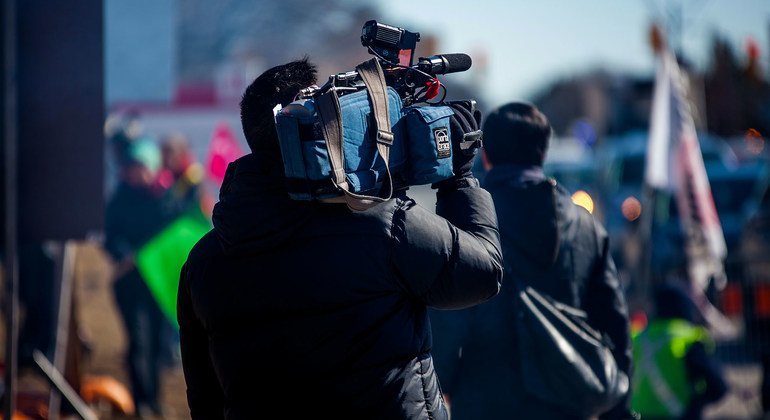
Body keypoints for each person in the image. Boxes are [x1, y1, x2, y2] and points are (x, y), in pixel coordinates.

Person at [176, 59, 503, 419]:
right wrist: (458, 180)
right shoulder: (384, 226)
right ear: (313, 125)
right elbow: (483, 272)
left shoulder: (203, 262)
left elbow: (204, 400)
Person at [430, 102, 633, 419]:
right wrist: (618, 405)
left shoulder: (471, 221)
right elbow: (614, 320)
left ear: (486, 154)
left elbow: (447, 316)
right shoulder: (586, 225)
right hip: (567, 395)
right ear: (543, 151)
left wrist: (440, 381)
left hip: (484, 396)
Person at [104, 138, 169, 417]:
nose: (137, 173)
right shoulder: (120, 198)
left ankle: (154, 398)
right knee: (139, 343)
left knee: (158, 343)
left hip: (158, 283)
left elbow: (173, 235)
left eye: (142, 167)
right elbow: (108, 235)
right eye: (133, 167)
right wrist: (124, 253)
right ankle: (140, 400)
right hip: (129, 283)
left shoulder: (165, 197)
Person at [631, 282, 728, 419]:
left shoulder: (637, 338)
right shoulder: (689, 339)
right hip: (678, 415)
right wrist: (695, 406)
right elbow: (719, 386)